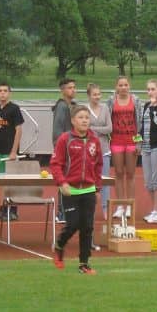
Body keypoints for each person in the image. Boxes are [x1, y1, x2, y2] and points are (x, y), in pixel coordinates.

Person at [50, 105, 103, 274]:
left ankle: (84, 264)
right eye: (80, 117)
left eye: (87, 117)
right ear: (73, 121)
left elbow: (98, 165)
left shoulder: (95, 141)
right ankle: (59, 244)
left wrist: (97, 187)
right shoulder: (65, 139)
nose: (84, 120)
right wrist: (62, 183)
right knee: (73, 224)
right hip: (70, 190)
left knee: (87, 227)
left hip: (88, 189)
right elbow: (55, 164)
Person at [107, 76, 142, 219]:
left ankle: (130, 205)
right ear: (116, 87)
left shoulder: (136, 100)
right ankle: (121, 205)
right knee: (119, 173)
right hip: (116, 140)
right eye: (120, 85)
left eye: (126, 85)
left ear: (129, 86)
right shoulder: (110, 101)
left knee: (131, 174)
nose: (123, 87)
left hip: (131, 140)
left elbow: (140, 122)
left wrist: (139, 142)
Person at [0, 82, 24, 221]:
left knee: (11, 182)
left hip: (10, 151)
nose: (2, 93)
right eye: (0, 90)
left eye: (5, 90)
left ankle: (12, 210)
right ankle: (3, 208)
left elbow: (18, 130)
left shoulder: (14, 109)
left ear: (9, 93)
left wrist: (13, 151)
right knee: (3, 182)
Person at [140, 80, 157, 224]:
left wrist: (154, 110)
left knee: (156, 180)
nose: (150, 92)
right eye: (148, 89)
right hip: (145, 146)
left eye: (152, 89)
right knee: (148, 181)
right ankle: (154, 210)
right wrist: (137, 139)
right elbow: (142, 125)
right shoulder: (146, 105)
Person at [51, 78, 77, 223]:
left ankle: (68, 210)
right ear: (62, 90)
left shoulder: (72, 105)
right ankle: (62, 212)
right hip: (64, 150)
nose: (73, 90)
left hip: (72, 148)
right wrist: (61, 148)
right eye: (69, 88)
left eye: (74, 87)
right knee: (64, 180)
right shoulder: (61, 107)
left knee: (70, 180)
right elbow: (57, 130)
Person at [85, 83, 113, 218]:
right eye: (94, 94)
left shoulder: (105, 108)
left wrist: (94, 129)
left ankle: (105, 208)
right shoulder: (84, 109)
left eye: (99, 94)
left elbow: (109, 128)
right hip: (88, 151)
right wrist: (93, 130)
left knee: (104, 181)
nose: (97, 97)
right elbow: (83, 128)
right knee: (88, 181)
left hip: (104, 150)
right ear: (89, 96)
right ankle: (89, 209)